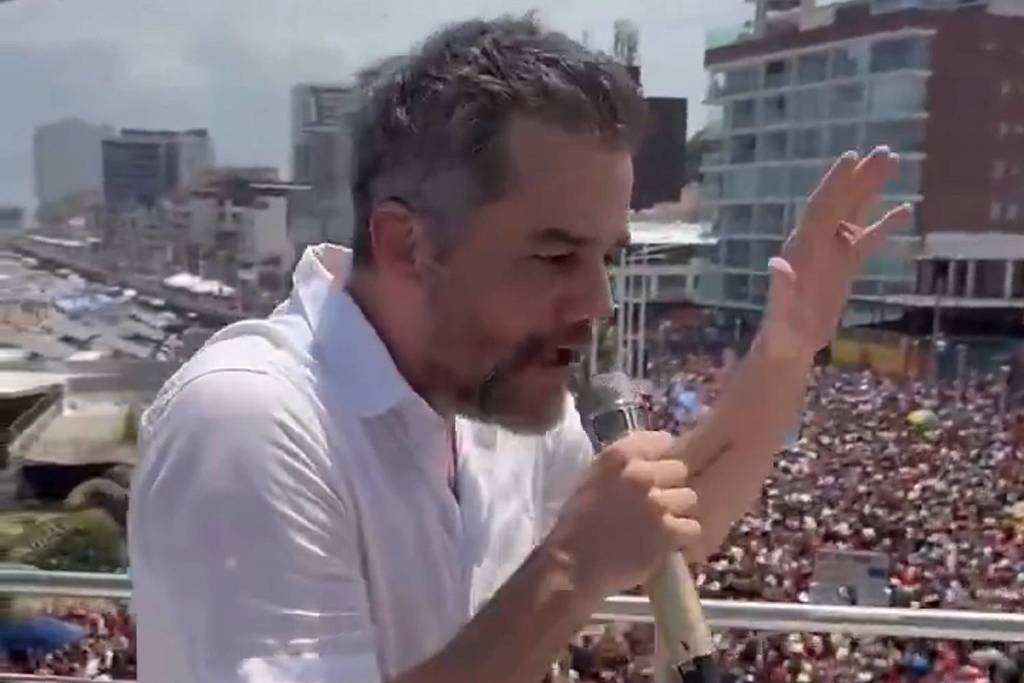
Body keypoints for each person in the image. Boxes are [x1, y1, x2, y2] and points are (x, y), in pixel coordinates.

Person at [128, 14, 908, 683]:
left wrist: (788, 347)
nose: (599, 299)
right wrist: (568, 569)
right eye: (554, 255)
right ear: (407, 244)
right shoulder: (251, 419)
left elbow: (671, 525)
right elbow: (596, 549)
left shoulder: (492, 396)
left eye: (607, 256)